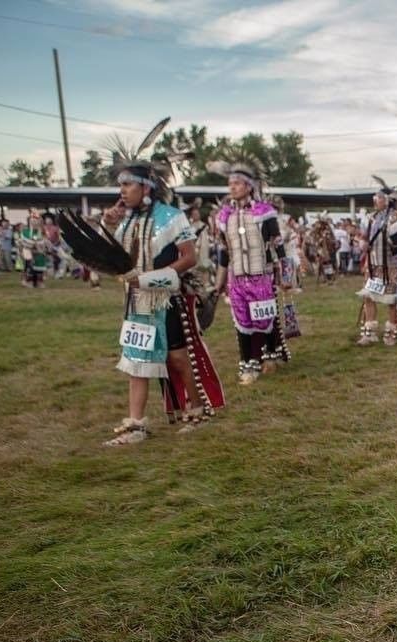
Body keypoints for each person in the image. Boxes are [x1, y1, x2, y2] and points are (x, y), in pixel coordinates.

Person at [95, 156, 225, 445]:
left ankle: (196, 411)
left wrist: (150, 278)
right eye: (120, 185)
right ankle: (136, 425)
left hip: (167, 299)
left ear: (146, 187)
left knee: (177, 357)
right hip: (136, 301)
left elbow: (189, 258)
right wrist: (107, 223)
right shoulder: (126, 220)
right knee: (135, 360)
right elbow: (113, 256)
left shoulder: (170, 216)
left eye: (127, 184)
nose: (122, 191)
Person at [211, 162, 291, 384]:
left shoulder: (264, 213)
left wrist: (286, 276)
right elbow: (223, 251)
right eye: (230, 183)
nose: (232, 187)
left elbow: (278, 245)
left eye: (237, 183)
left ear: (249, 186)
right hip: (236, 279)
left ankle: (268, 355)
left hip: (261, 277)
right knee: (242, 322)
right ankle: (248, 364)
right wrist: (219, 283)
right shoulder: (225, 216)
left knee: (262, 319)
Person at [355, 186, 397, 346]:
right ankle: (369, 332)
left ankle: (392, 332)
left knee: (391, 300)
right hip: (374, 267)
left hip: (393, 268)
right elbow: (364, 237)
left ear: (388, 200)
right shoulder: (371, 218)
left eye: (379, 197)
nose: (375, 200)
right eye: (375, 197)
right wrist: (362, 244)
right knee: (368, 297)